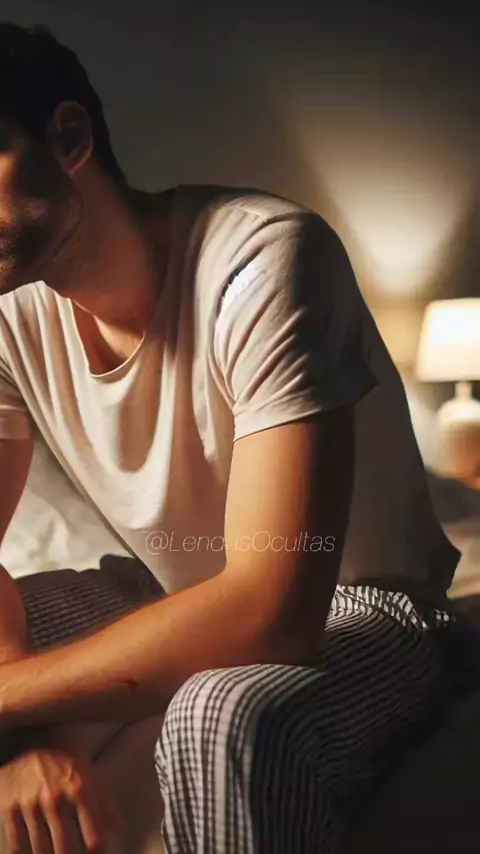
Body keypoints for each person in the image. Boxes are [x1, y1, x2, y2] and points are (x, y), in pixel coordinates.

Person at [0, 21, 462, 854]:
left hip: (369, 604)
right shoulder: (8, 322)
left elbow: (271, 610)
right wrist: (31, 738)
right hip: (161, 588)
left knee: (219, 710)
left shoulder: (264, 258)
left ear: (68, 139)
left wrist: (9, 700)